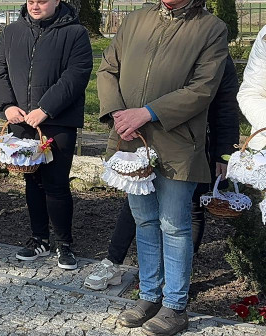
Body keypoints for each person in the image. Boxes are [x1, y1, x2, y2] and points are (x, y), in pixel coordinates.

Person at [97, 0, 229, 336]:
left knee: (174, 224)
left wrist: (148, 112)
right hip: (129, 140)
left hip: (178, 142)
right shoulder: (136, 20)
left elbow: (203, 89)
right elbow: (108, 69)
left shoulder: (211, 28)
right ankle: (149, 294)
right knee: (144, 219)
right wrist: (119, 113)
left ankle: (174, 306)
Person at [85, 56, 238, 291]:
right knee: (137, 202)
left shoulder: (216, 51)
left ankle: (175, 276)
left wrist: (223, 153)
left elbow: (226, 106)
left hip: (194, 144)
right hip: (148, 137)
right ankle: (113, 262)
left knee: (192, 208)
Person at [0, 0, 93, 270]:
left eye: (42, 2)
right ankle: (38, 238)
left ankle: (64, 243)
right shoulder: (12, 32)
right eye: (30, 1)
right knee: (32, 182)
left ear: (57, 1)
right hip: (21, 120)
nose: (35, 7)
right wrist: (7, 105)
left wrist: (46, 108)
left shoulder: (75, 33)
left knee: (56, 184)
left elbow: (76, 75)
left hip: (56, 122)